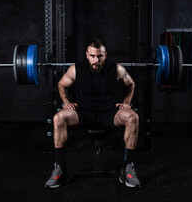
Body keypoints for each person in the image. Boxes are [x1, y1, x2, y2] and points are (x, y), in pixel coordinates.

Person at [45, 39, 141, 188]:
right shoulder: (75, 69)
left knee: (132, 117)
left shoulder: (116, 69)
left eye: (100, 56)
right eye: (92, 56)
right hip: (83, 112)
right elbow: (62, 84)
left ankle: (127, 170)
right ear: (87, 55)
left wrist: (126, 102)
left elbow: (130, 84)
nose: (96, 60)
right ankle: (60, 170)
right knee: (58, 118)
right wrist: (66, 101)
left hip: (109, 112)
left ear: (105, 55)